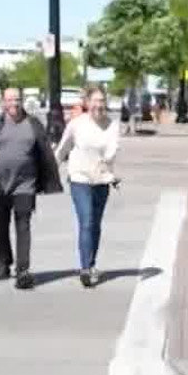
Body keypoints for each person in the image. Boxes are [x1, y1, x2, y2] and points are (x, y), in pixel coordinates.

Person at [0, 87, 62, 290]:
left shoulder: (33, 123)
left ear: (22, 101)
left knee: (23, 224)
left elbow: (44, 149)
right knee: (1, 224)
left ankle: (23, 271)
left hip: (25, 184)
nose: (14, 103)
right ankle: (4, 263)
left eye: (17, 99)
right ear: (3, 102)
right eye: (10, 100)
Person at [56, 86, 122, 288]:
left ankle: (91, 263)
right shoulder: (77, 124)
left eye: (102, 101)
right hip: (80, 178)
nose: (99, 105)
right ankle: (85, 268)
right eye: (95, 101)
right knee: (86, 220)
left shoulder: (112, 125)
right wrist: (49, 172)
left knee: (95, 224)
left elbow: (113, 148)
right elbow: (63, 149)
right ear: (87, 103)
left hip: (101, 180)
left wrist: (108, 162)